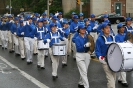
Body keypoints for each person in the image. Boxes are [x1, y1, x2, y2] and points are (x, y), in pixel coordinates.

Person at [95, 22, 116, 88]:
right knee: (110, 78)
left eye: (109, 27)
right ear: (102, 30)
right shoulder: (99, 39)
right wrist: (100, 58)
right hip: (105, 60)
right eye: (106, 28)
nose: (108, 29)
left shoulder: (112, 37)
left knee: (114, 77)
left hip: (113, 60)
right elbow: (97, 51)